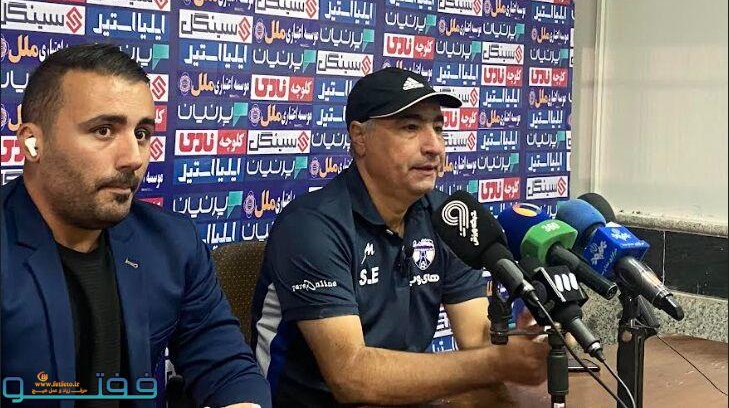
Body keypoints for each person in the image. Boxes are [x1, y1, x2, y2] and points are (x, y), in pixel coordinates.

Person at [250, 67, 550, 406]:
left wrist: (526, 339)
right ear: (360, 138)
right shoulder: (311, 226)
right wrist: (496, 362)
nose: (434, 147)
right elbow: (351, 376)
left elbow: (478, 340)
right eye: (411, 127)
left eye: (438, 128)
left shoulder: (449, 218)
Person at [0, 44, 271, 408]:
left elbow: (226, 366)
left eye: (141, 133)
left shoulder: (172, 243)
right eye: (103, 131)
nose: (133, 158)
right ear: (33, 143)